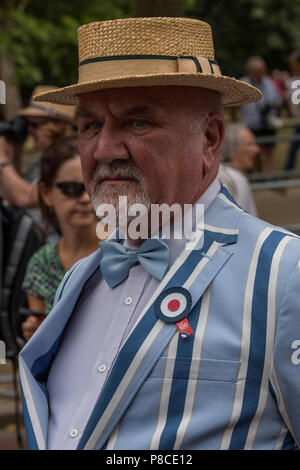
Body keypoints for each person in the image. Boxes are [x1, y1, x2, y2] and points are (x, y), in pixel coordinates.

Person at [19, 17, 300, 451]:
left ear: (210, 138)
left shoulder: (285, 274)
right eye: (91, 125)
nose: (106, 150)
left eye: (138, 122)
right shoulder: (79, 281)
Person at [21, 136, 100, 341]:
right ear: (46, 194)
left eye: (91, 187)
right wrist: (35, 332)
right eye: (71, 189)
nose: (84, 198)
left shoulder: (125, 249)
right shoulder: (41, 264)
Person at [0, 85, 76, 209]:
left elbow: (25, 199)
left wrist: (2, 160)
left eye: (35, 125)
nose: (29, 130)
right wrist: (16, 148)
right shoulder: (45, 158)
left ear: (59, 124)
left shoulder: (69, 160)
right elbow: (13, 196)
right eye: (28, 124)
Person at [240, 56, 282, 172]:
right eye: (261, 70)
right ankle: (257, 179)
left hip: (268, 124)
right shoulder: (243, 83)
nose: (263, 72)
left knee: (269, 151)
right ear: (252, 70)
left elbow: (278, 101)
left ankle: (272, 180)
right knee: (254, 152)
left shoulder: (269, 83)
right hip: (251, 125)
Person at [218, 122, 259, 215]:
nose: (256, 149)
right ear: (233, 148)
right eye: (250, 144)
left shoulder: (233, 176)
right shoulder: (230, 179)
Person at [283, 51, 300, 170]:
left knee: (293, 148)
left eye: (293, 63)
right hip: (298, 121)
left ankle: (286, 175)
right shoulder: (294, 80)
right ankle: (286, 175)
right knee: (292, 149)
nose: (291, 66)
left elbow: (296, 100)